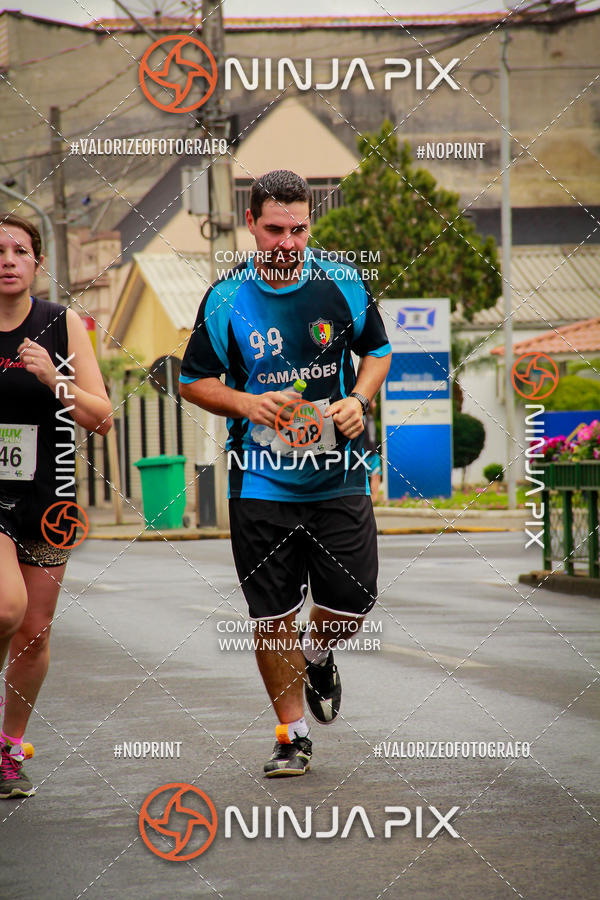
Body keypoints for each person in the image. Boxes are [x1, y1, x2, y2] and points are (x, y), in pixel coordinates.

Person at [180, 170, 391, 777]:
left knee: (353, 600)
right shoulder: (225, 298)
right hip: (260, 479)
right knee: (270, 617)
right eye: (274, 230)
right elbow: (194, 379)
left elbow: (376, 351)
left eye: (299, 229)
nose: (287, 242)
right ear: (251, 225)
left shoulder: (342, 281)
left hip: (339, 472)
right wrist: (246, 404)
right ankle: (291, 734)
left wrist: (360, 399)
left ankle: (318, 652)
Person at [0, 213, 112, 798]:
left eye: (20, 250)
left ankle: (8, 750)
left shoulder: (61, 325)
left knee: (35, 633)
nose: (8, 259)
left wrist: (54, 380)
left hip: (48, 499)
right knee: (5, 608)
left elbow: (104, 417)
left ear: (37, 264)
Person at [363, 397, 383, 503]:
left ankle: (373, 500)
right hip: (364, 454)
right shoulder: (363, 418)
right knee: (364, 477)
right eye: (373, 402)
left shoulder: (370, 418)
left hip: (373, 453)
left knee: (376, 475)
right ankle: (368, 500)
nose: (375, 405)